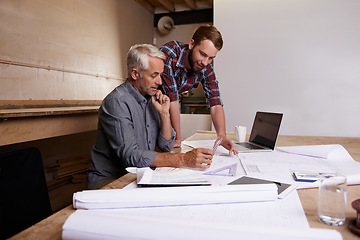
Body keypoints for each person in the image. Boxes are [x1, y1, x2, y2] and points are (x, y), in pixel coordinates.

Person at [87, 44, 214, 189]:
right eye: (154, 76)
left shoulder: (151, 98)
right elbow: (131, 157)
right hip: (110, 180)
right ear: (135, 74)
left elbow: (166, 146)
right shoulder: (117, 102)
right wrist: (184, 158)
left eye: (161, 75)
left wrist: (164, 113)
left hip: (138, 175)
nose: (160, 82)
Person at [160, 24, 237, 154]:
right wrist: (178, 138)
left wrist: (222, 135)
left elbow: (215, 103)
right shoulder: (170, 53)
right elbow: (173, 99)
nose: (205, 62)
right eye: (202, 54)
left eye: (211, 58)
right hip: (147, 105)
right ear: (191, 44)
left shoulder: (206, 68)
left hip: (165, 108)